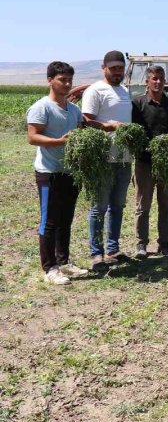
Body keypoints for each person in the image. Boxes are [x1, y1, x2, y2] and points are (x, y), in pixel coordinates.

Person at [26, 61, 89, 284]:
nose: (67, 84)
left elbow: (82, 132)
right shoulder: (41, 107)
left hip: (70, 172)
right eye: (62, 80)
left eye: (70, 79)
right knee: (49, 221)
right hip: (49, 172)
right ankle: (49, 268)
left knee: (65, 219)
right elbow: (33, 137)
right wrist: (58, 141)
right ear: (50, 80)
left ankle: (64, 262)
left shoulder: (73, 109)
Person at [81, 50, 133, 271]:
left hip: (123, 156)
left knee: (117, 206)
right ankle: (97, 253)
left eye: (120, 68)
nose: (117, 72)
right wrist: (107, 127)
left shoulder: (125, 91)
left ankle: (113, 248)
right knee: (99, 206)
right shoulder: (95, 90)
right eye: (113, 68)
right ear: (104, 67)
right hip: (103, 156)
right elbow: (86, 120)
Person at [131, 66, 168, 258]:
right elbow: (135, 135)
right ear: (147, 81)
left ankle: (164, 243)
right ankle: (141, 244)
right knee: (143, 206)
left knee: (167, 206)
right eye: (154, 78)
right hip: (145, 163)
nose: (158, 82)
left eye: (161, 78)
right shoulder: (137, 103)